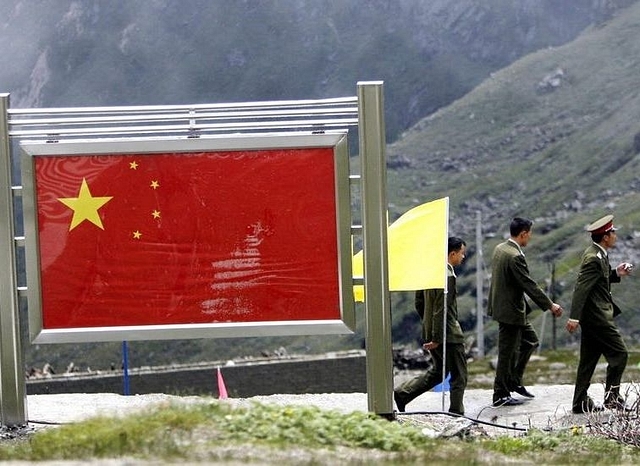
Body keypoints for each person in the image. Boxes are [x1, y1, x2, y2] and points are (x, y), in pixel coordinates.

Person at [488, 217, 563, 407]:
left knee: (531, 341)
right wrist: (550, 305)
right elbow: (528, 285)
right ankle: (500, 395)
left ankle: (514, 380)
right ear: (523, 234)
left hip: (509, 309)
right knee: (506, 354)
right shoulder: (515, 256)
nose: (530, 237)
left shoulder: (500, 249)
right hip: (510, 312)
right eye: (529, 234)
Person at [566, 214, 633, 414]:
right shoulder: (593, 258)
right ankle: (612, 398)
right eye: (613, 232)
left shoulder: (599, 254)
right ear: (605, 236)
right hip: (597, 318)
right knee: (620, 354)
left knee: (588, 360)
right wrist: (573, 317)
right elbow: (581, 288)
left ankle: (579, 403)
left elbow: (599, 281)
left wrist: (616, 274)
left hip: (593, 317)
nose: (615, 235)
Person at [394, 236, 468, 415]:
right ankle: (456, 411)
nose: (463, 257)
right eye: (462, 254)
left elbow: (419, 303)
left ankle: (403, 393)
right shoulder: (448, 276)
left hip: (432, 331)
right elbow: (442, 309)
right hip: (448, 333)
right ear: (452, 253)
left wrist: (428, 327)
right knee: (459, 375)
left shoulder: (430, 272)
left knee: (438, 372)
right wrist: (437, 337)